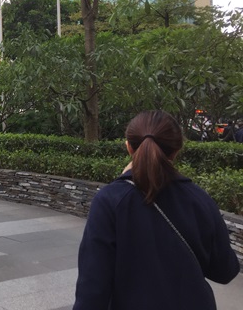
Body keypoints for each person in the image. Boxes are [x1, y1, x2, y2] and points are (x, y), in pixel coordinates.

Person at [74, 110, 240, 310]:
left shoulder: (110, 201)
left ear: (128, 147)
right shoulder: (200, 199)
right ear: (177, 150)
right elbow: (225, 271)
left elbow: (92, 290)